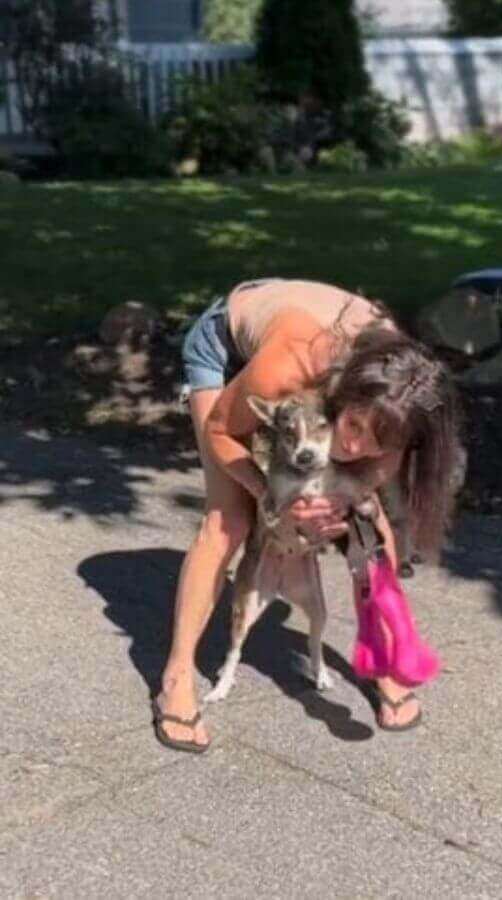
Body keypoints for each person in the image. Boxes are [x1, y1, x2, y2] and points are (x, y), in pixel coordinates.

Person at [152, 278, 462, 753]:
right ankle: (176, 676)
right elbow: (222, 433)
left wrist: (344, 500)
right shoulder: (290, 363)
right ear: (348, 396)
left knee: (370, 521)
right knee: (228, 518)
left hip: (330, 372)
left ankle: (386, 657)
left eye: (376, 440)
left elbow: (369, 474)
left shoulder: (402, 394)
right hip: (228, 347)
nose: (354, 446)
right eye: (353, 426)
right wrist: (273, 498)